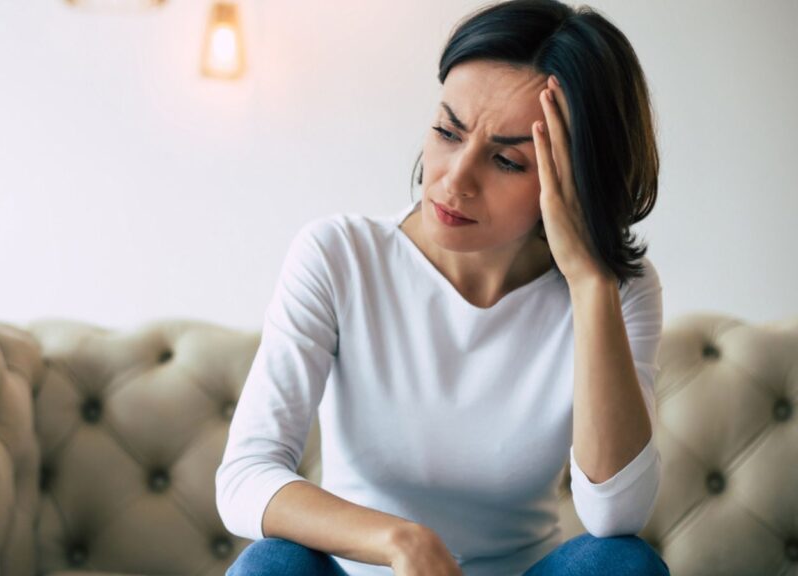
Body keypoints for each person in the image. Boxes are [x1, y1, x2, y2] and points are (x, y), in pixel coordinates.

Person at [216, 0, 670, 574]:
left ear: (578, 175)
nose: (455, 179)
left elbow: (615, 515)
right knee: (271, 564)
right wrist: (402, 542)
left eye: (506, 161)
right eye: (446, 132)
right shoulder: (339, 256)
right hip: (369, 569)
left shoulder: (616, 291)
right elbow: (245, 476)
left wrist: (589, 282)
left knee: (622, 563)